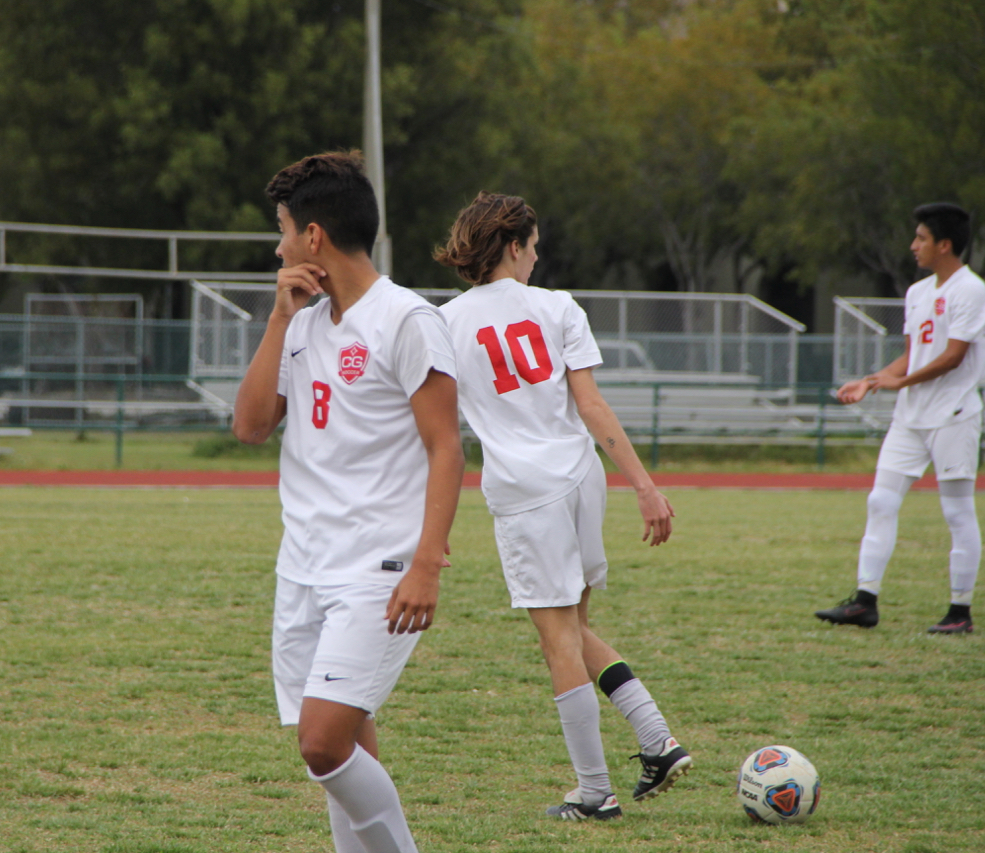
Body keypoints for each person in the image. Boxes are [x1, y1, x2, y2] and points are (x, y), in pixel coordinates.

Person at [232, 152, 464, 853]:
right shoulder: (302, 323)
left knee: (322, 743)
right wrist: (278, 319)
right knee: (346, 747)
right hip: (303, 566)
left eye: (281, 229)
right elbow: (248, 427)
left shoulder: (407, 319)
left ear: (312, 237)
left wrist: (427, 561)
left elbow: (447, 447)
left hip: (378, 570)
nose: (277, 247)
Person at [434, 192, 690, 821]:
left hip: (525, 490)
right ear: (513, 245)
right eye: (534, 243)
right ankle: (658, 741)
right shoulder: (558, 306)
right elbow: (591, 405)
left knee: (557, 643)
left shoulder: (444, 321)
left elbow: (433, 424)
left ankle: (594, 792)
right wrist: (645, 484)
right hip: (582, 477)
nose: (539, 254)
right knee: (572, 629)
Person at [816, 202, 985, 635]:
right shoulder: (918, 292)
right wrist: (873, 381)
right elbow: (915, 354)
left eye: (921, 238)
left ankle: (959, 612)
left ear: (945, 244)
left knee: (957, 512)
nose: (914, 246)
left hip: (953, 416)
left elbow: (953, 357)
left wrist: (901, 381)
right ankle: (864, 602)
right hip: (910, 418)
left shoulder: (970, 290)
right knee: (881, 501)